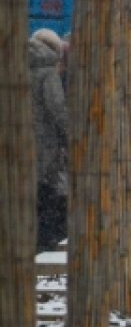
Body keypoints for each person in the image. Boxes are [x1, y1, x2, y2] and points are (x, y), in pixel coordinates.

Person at [30, 28, 69, 252]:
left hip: (17, 141)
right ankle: (44, 240)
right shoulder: (47, 72)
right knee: (45, 191)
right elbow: (58, 110)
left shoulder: (13, 65)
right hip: (44, 144)